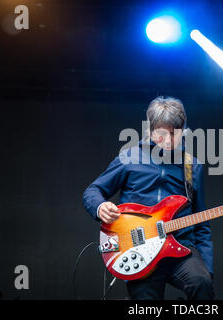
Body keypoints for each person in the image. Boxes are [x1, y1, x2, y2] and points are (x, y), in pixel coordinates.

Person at [82, 96, 214, 300]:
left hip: (181, 248)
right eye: (162, 134)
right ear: (151, 131)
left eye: (174, 134)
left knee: (202, 284)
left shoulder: (192, 166)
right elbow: (92, 191)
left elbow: (202, 223)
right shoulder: (129, 158)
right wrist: (100, 206)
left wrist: (208, 270)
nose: (169, 141)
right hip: (139, 251)